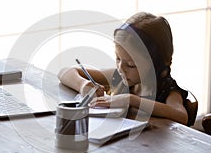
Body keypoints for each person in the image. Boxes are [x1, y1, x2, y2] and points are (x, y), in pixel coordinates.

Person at [57, 12, 195, 126]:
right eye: (118, 58)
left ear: (155, 64)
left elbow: (181, 116)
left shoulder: (166, 89)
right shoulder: (118, 75)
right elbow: (64, 72)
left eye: (130, 64)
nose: (121, 68)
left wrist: (131, 99)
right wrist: (83, 85)